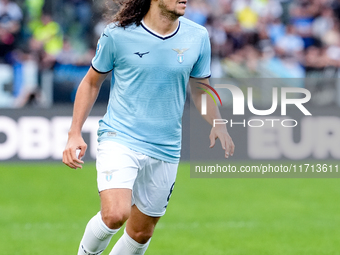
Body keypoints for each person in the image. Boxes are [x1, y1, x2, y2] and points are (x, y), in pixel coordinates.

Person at [62, 0, 235, 254]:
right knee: (114, 214)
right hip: (120, 137)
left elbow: (200, 88)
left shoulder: (198, 36)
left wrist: (217, 122)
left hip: (166, 147)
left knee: (141, 233)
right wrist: (74, 132)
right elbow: (91, 83)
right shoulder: (117, 34)